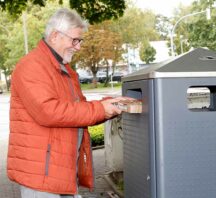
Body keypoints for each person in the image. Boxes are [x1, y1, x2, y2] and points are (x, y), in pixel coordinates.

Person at [7, 8, 127, 198]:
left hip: (60, 173)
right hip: (42, 178)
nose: (78, 47)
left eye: (79, 41)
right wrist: (100, 109)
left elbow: (79, 111)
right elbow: (49, 112)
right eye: (75, 40)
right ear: (55, 35)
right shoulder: (31, 66)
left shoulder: (63, 68)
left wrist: (110, 105)